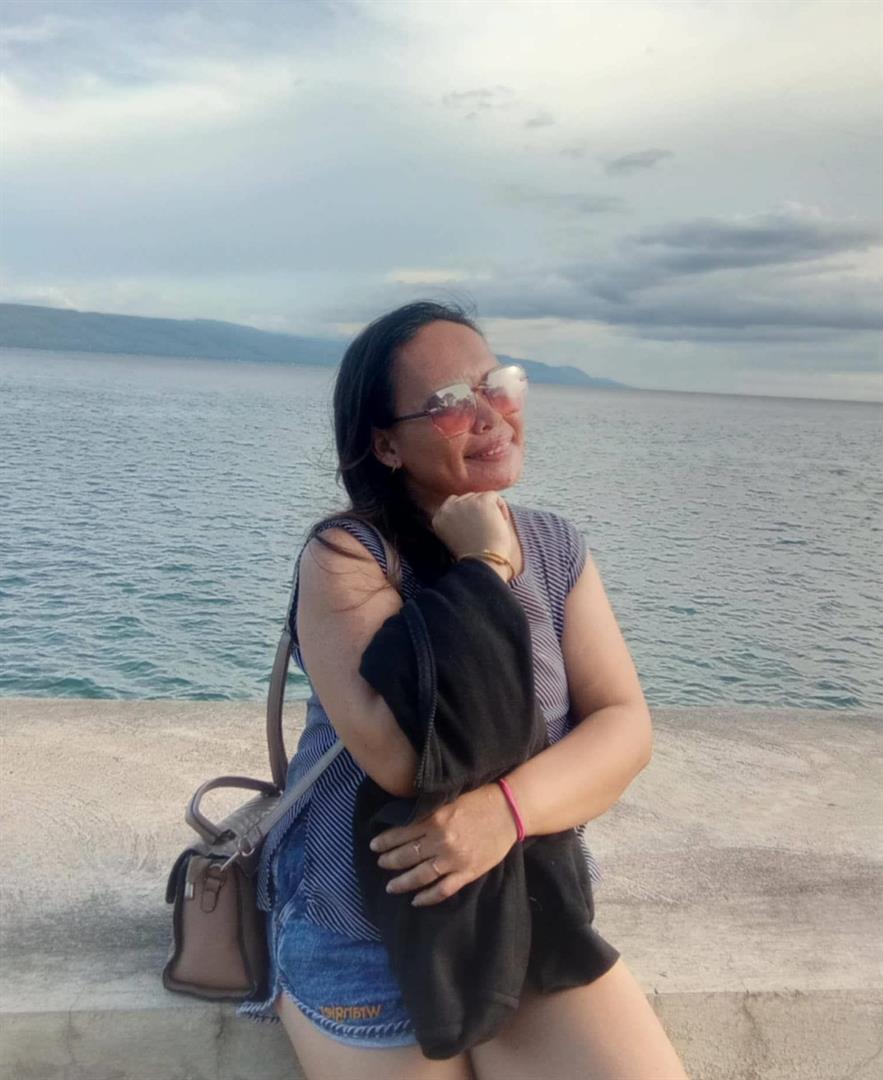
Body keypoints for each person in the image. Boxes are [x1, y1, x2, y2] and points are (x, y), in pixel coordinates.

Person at [236, 300, 689, 1079]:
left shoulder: (554, 545)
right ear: (385, 443)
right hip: (363, 921)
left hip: (520, 904)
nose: (489, 416)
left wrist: (506, 812)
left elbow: (623, 725)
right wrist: (483, 567)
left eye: (497, 385)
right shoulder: (347, 556)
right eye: (448, 403)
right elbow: (401, 758)